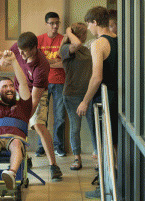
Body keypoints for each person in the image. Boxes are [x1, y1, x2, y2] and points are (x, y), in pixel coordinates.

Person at [10, 32, 63, 180]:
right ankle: (24, 158)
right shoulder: (19, 47)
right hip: (19, 91)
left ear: (34, 48)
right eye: (19, 50)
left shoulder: (42, 66)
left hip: (36, 93)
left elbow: (35, 99)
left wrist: (25, 118)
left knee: (39, 125)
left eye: (24, 51)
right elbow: (7, 58)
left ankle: (53, 165)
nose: (20, 54)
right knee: (17, 126)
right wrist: (0, 59)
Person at [81, 6, 118, 199]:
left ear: (95, 22)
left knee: (104, 146)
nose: (88, 28)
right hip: (119, 97)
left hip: (104, 99)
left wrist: (85, 101)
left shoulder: (98, 44)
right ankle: (118, 184)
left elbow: (96, 78)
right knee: (115, 145)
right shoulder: (118, 39)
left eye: (88, 23)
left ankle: (105, 187)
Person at [0, 50, 32, 192]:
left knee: (16, 143)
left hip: (15, 138)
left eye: (11, 86)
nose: (9, 89)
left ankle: (11, 173)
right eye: (4, 87)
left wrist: (14, 61)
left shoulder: (23, 106)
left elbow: (23, 84)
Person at [59, 23, 97, 171]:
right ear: (78, 35)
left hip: (88, 93)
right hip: (72, 94)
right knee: (75, 128)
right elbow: (77, 43)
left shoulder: (87, 49)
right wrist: (68, 31)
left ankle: (98, 157)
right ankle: (77, 158)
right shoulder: (66, 49)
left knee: (94, 127)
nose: (86, 35)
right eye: (83, 33)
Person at [36, 12, 66, 157]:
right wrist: (55, 63)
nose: (55, 26)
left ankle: (58, 146)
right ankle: (42, 146)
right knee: (41, 116)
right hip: (43, 83)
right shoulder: (39, 40)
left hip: (60, 82)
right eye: (52, 23)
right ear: (46, 24)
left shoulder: (64, 40)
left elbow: (66, 64)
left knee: (60, 116)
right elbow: (37, 62)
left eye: (57, 23)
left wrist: (47, 63)